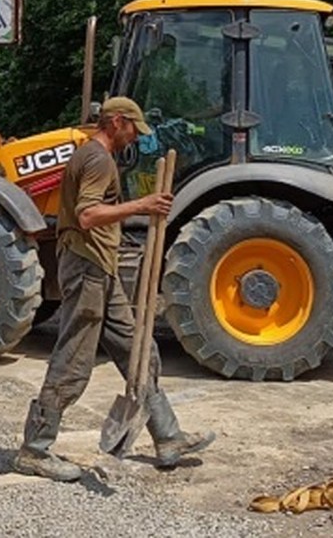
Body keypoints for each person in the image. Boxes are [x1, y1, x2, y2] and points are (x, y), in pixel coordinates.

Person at [14, 96, 215, 481]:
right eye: (131, 131)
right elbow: (88, 215)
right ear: (117, 122)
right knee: (74, 358)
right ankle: (34, 449)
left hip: (101, 267)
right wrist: (142, 205)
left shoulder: (95, 156)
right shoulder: (97, 159)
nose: (133, 139)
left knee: (138, 349)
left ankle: (168, 437)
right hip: (87, 267)